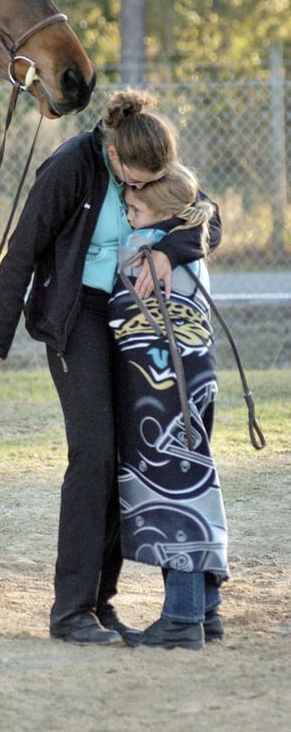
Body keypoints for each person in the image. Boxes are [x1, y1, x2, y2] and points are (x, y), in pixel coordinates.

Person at [0, 88, 221, 646]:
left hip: (130, 318)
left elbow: (208, 217)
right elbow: (22, 252)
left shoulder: (147, 158)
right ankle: (71, 610)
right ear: (112, 152)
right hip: (77, 317)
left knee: (128, 459)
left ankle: (103, 605)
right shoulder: (69, 168)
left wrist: (165, 251)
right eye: (133, 180)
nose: (139, 188)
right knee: (93, 455)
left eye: (148, 180)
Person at [109, 163, 227, 650]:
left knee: (169, 487)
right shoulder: (189, 239)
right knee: (194, 479)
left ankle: (182, 618)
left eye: (134, 208)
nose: (128, 214)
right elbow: (206, 215)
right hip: (198, 375)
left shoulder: (145, 246)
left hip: (161, 384)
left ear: (162, 214)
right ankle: (205, 610)